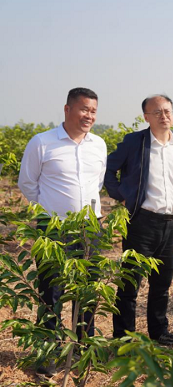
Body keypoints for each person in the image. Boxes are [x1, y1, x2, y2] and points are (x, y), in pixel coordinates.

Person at [18, 87, 107, 376]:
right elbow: (27, 183)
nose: (89, 115)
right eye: (84, 109)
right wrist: (50, 211)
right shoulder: (42, 142)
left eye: (93, 111)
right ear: (67, 109)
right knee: (51, 292)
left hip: (90, 227)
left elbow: (98, 183)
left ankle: (83, 349)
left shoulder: (99, 145)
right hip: (53, 230)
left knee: (88, 290)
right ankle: (49, 352)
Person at [104, 94, 173, 346]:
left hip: (171, 223)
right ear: (146, 117)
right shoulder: (135, 143)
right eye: (157, 112)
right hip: (141, 222)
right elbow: (108, 169)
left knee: (162, 283)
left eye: (167, 111)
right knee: (130, 283)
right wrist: (122, 196)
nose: (163, 116)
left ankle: (159, 331)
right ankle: (124, 336)